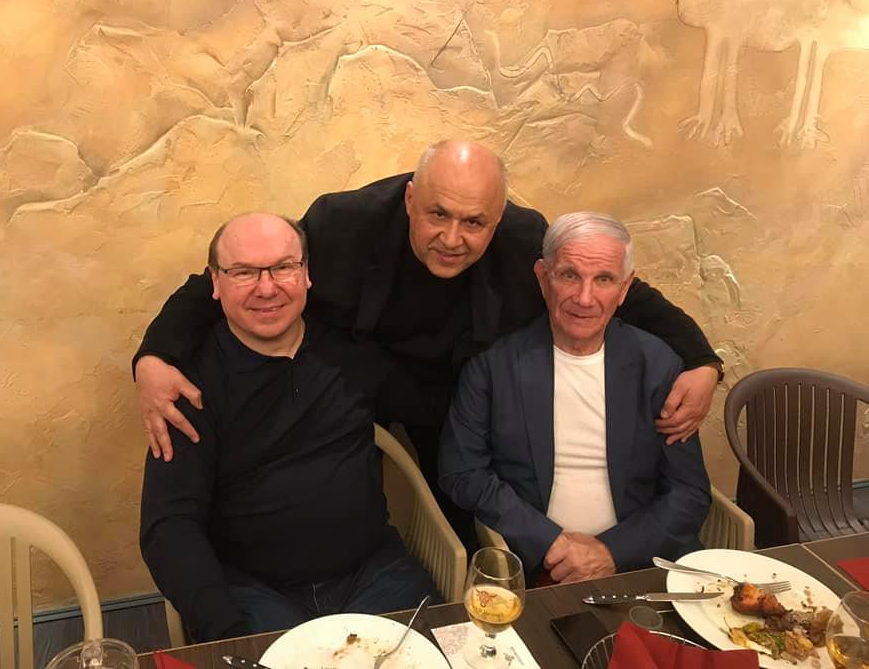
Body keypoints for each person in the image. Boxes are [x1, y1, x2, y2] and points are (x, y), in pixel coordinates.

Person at [133, 141, 721, 530]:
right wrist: (154, 356)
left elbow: (616, 292)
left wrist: (701, 361)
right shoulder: (344, 221)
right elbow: (234, 276)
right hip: (352, 377)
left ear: (499, 217)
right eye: (438, 214)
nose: (453, 238)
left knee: (460, 519)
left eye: (474, 222)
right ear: (411, 198)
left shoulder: (524, 239)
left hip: (452, 392)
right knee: (315, 502)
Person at [140, 214, 440, 641]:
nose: (266, 288)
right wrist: (227, 628)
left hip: (375, 573)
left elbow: (433, 404)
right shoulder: (189, 386)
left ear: (307, 273)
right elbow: (169, 524)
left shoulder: (353, 352)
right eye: (243, 272)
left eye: (283, 267)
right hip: (254, 593)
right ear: (215, 282)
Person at [438, 212, 711, 585]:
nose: (584, 298)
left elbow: (688, 492)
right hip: (536, 567)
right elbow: (462, 471)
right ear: (543, 277)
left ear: (624, 289)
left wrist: (611, 552)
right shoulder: (493, 365)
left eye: (604, 279)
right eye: (569, 275)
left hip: (640, 563)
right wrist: (550, 543)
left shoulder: (658, 365)